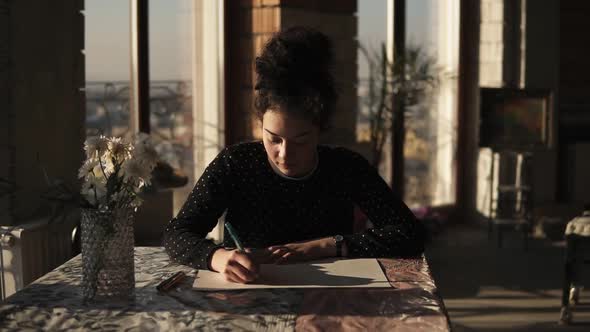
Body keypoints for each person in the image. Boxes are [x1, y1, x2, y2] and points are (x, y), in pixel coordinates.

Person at [163, 26, 425, 284]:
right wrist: (219, 258)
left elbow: (410, 233)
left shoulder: (346, 167)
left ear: (320, 130)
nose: (285, 154)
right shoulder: (237, 163)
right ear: (260, 126)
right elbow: (177, 233)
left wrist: (323, 246)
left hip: (331, 297)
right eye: (273, 139)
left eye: (301, 140)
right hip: (249, 295)